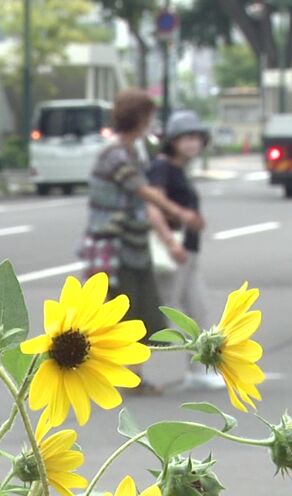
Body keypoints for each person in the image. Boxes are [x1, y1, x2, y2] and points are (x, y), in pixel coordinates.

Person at [84, 88, 205, 395]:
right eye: (148, 116)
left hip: (134, 244)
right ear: (138, 118)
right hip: (114, 245)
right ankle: (120, 375)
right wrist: (180, 213)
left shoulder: (133, 151)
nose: (151, 122)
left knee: (145, 311)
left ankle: (134, 375)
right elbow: (142, 190)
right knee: (122, 311)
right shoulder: (114, 153)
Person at [146, 111, 225, 391]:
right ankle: (128, 365)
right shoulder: (161, 167)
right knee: (169, 312)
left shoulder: (178, 169)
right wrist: (170, 241)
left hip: (188, 251)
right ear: (172, 140)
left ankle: (200, 367)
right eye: (186, 137)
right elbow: (152, 207)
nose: (193, 143)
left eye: (197, 138)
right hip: (174, 250)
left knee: (198, 309)